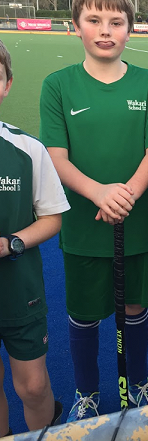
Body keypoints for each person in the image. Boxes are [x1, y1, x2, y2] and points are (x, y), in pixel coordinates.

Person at [39, 0, 148, 421]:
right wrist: (99, 193)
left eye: (116, 21)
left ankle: (138, 381)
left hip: (135, 223)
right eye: (94, 20)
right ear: (76, 26)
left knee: (135, 308)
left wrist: (124, 197)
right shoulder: (57, 85)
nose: (106, 30)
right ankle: (87, 392)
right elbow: (56, 156)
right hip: (83, 227)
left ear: (130, 28)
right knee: (84, 314)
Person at [0, 40, 69, 436]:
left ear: (7, 84)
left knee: (33, 386)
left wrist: (10, 242)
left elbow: (52, 219)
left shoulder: (27, 149)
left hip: (19, 288)